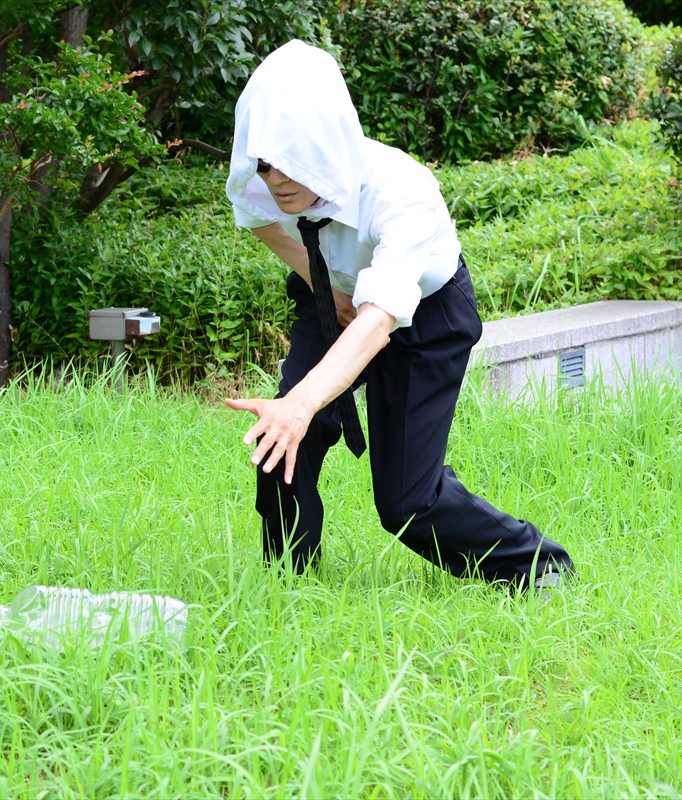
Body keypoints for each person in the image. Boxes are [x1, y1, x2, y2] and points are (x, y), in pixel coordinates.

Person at [223, 40, 572, 594]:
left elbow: (379, 320)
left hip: (422, 316)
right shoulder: (265, 183)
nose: (276, 179)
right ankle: (289, 588)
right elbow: (255, 215)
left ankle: (540, 568)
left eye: (290, 163)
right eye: (265, 164)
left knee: (408, 503)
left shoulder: (399, 190)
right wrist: (322, 285)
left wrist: (302, 402)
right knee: (282, 442)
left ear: (323, 146)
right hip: (334, 295)